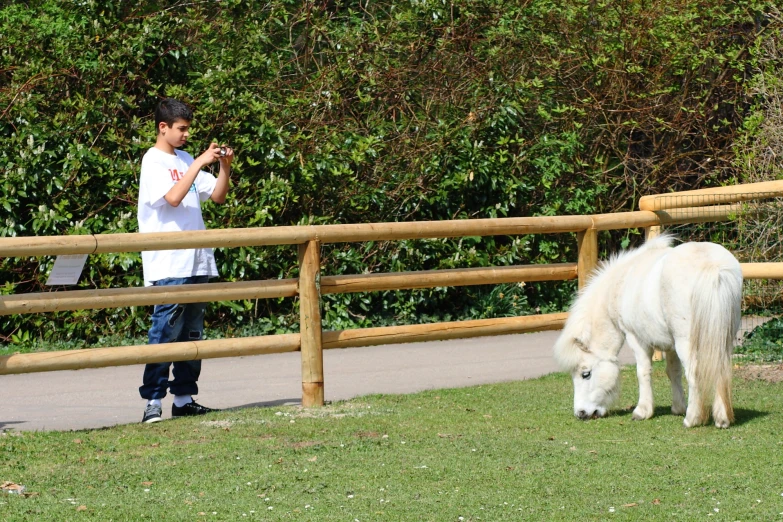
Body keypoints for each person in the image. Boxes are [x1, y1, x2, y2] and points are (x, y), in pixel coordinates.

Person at [136, 98, 233, 423]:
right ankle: (152, 402)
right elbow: (174, 198)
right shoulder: (153, 161)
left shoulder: (188, 158)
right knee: (164, 332)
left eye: (188, 129)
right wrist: (199, 163)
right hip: (168, 264)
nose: (185, 135)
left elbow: (217, 196)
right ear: (163, 127)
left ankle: (183, 398)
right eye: (181, 129)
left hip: (197, 262)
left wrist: (223, 166)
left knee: (192, 334)